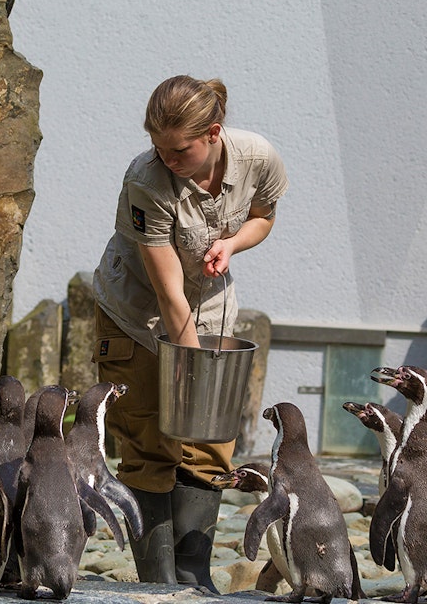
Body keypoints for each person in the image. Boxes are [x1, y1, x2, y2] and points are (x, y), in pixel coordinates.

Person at [92, 75, 288, 591]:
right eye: (158, 147)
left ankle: (193, 577)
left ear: (214, 133)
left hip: (210, 309)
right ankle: (158, 584)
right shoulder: (147, 180)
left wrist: (234, 243)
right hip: (137, 315)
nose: (167, 159)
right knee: (150, 441)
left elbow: (264, 216)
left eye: (179, 150)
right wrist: (194, 371)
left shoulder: (257, 157)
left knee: (210, 441)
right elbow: (168, 293)